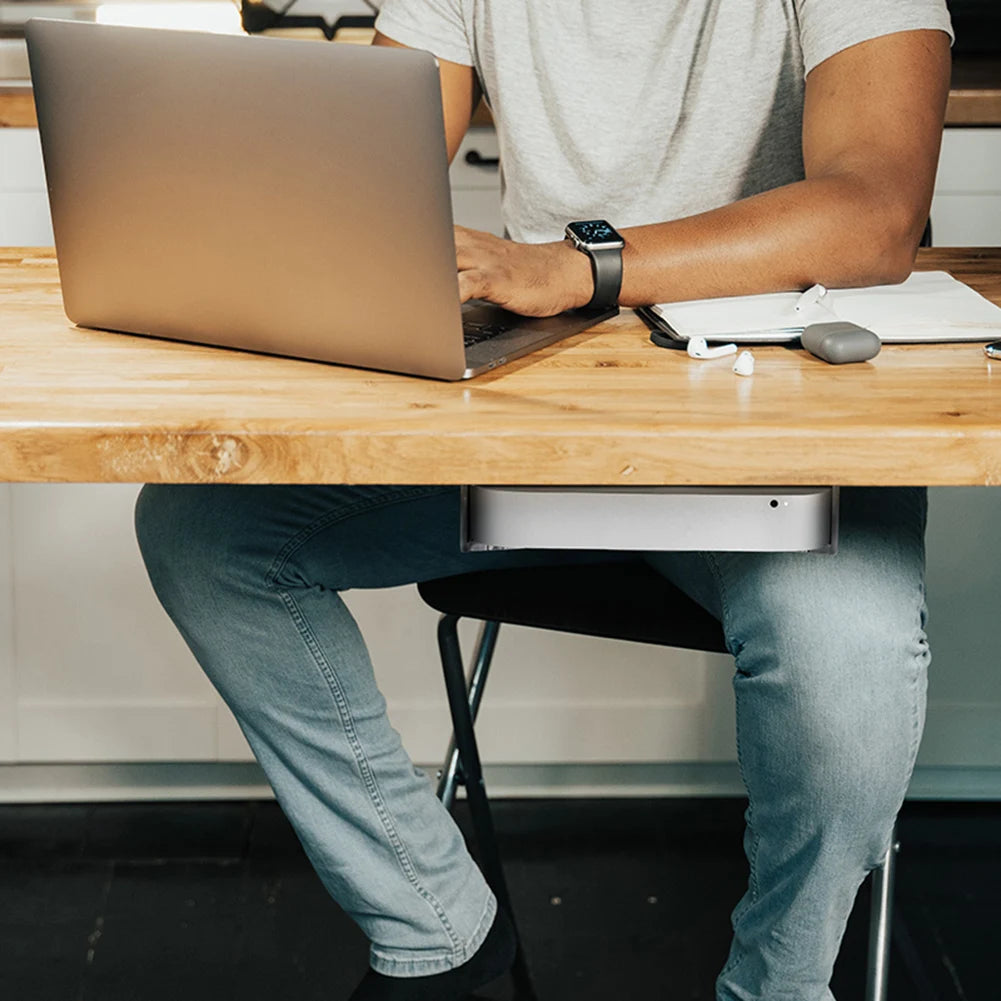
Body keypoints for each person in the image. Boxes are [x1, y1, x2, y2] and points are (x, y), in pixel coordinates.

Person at [134, 2, 953, 999]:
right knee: (209, 531)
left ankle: (775, 984)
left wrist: (575, 266)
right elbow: (358, 180)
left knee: (848, 665)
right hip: (541, 424)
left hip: (778, 438)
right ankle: (436, 927)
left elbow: (873, 212)